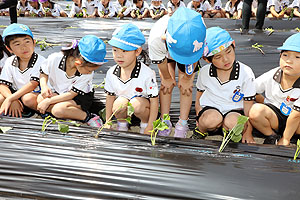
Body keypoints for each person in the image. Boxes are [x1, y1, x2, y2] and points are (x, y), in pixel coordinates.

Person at [148, 7, 206, 138]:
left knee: (187, 86)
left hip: (190, 50)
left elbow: (196, 54)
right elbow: (161, 64)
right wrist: (168, 78)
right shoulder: (156, 39)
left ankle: (183, 122)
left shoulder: (198, 28)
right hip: (167, 51)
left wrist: (187, 77)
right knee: (166, 85)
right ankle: (165, 120)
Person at [193, 27, 256, 143]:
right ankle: (201, 130)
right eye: (218, 57)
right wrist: (199, 113)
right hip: (211, 109)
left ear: (234, 45)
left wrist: (248, 132)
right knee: (210, 120)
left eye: (228, 51)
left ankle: (225, 129)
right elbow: (199, 94)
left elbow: (248, 104)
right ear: (207, 60)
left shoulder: (246, 72)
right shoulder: (204, 72)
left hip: (234, 110)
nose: (226, 59)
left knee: (234, 123)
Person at [37, 35, 107, 127]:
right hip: (60, 93)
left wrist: (49, 101)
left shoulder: (87, 75)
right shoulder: (55, 59)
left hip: (79, 97)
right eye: (89, 70)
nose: (90, 73)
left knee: (58, 109)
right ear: (78, 63)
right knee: (40, 99)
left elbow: (71, 94)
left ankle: (88, 117)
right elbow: (43, 73)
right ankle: (67, 114)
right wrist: (44, 87)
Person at [105, 23, 159, 134]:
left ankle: (144, 125)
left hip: (142, 108)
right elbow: (110, 97)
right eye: (115, 50)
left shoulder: (147, 73)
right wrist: (107, 121)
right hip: (124, 108)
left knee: (136, 104)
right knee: (118, 104)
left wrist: (150, 125)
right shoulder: (111, 72)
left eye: (124, 51)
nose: (119, 55)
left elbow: (154, 101)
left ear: (137, 51)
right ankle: (123, 124)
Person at [249, 33, 300, 145]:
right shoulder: (274, 74)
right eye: (285, 55)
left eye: (297, 57)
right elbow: (251, 89)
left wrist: (286, 139)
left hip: (297, 120)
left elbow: (296, 115)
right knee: (255, 111)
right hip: (276, 116)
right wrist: (263, 102)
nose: (289, 61)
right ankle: (272, 135)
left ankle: (288, 137)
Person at [0, 24, 45, 117]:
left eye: (27, 42)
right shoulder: (10, 61)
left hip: (36, 95)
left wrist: (10, 98)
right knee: (1, 98)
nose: (24, 47)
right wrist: (11, 98)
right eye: (17, 44)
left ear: (34, 42)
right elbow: (3, 85)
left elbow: (33, 84)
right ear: (9, 49)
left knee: (27, 99)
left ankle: (40, 112)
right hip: (17, 95)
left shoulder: (42, 61)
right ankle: (17, 110)